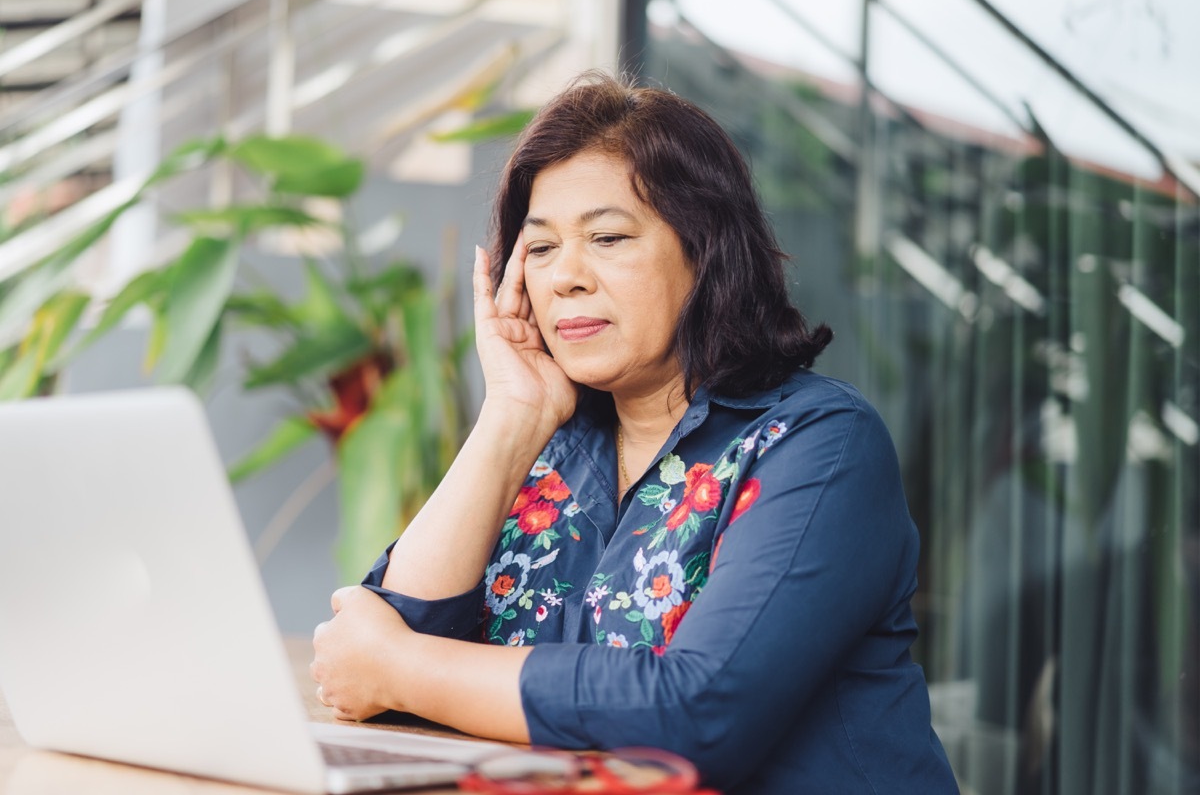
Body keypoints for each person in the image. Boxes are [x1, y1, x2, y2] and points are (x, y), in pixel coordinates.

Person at [310, 72, 958, 794]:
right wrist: (509, 418)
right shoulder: (543, 449)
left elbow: (695, 718)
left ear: (704, 251)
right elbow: (382, 644)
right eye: (543, 249)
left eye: (608, 237)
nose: (566, 278)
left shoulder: (820, 444)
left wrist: (400, 666)